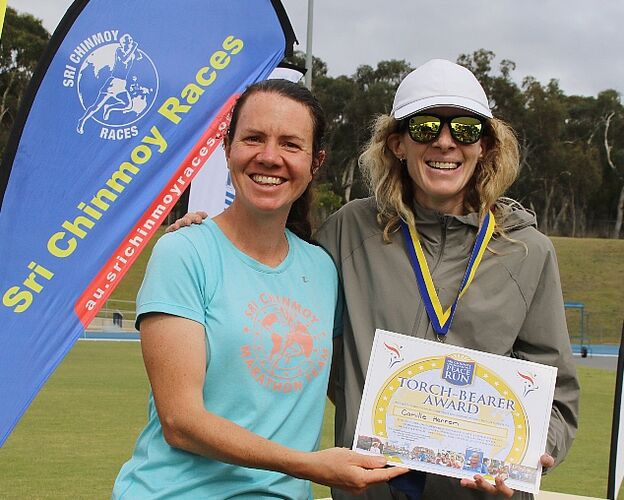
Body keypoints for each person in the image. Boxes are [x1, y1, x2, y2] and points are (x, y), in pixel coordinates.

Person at [172, 59, 579, 499]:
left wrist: (534, 449)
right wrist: (210, 236)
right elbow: (273, 271)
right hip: (365, 491)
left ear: (485, 145)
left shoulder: (528, 250)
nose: (445, 143)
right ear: (398, 144)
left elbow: (555, 392)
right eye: (425, 128)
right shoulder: (349, 231)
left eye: (464, 129)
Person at [112, 79, 405, 499]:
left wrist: (479, 445)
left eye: (290, 144)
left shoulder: (322, 268)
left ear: (315, 161)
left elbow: (352, 390)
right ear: (227, 147)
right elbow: (180, 422)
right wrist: (309, 465)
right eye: (253, 138)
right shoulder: (184, 253)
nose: (269, 157)